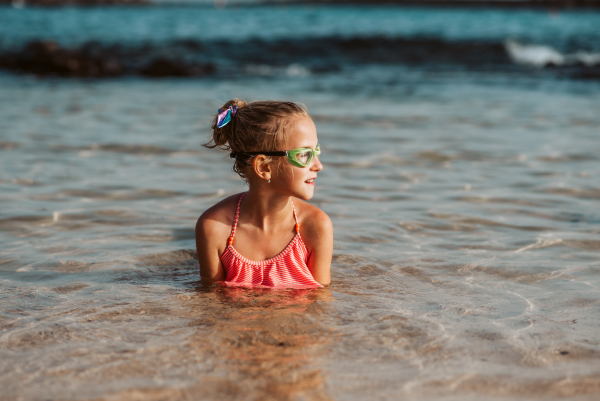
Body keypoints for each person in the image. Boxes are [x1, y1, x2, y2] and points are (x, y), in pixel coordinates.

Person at [195, 99, 332, 288]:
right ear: (264, 167)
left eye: (316, 151)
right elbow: (211, 300)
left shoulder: (316, 226)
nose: (318, 165)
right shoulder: (214, 228)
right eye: (303, 155)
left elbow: (321, 303)